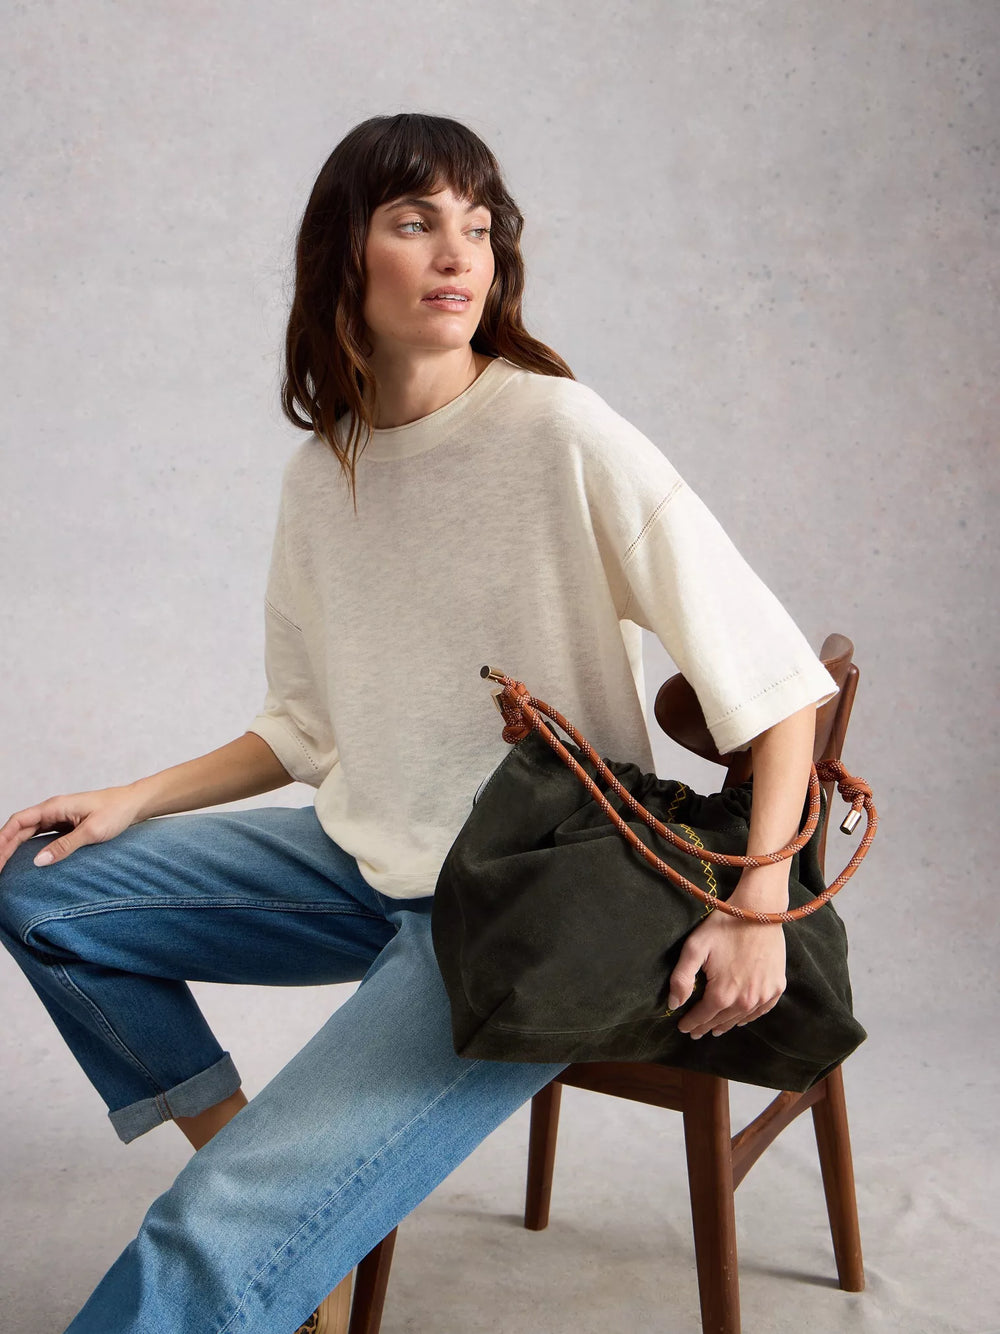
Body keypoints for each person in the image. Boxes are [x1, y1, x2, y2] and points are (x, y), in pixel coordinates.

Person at [0, 112, 837, 1334]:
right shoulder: (323, 471)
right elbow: (304, 725)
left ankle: (262, 1222)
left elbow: (780, 684)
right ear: (344, 253)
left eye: (478, 227)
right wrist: (135, 796)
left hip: (530, 900)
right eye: (414, 221)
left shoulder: (560, 430)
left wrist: (755, 905)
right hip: (364, 858)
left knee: (207, 1233)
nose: (457, 253)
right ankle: (277, 1196)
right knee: (39, 884)